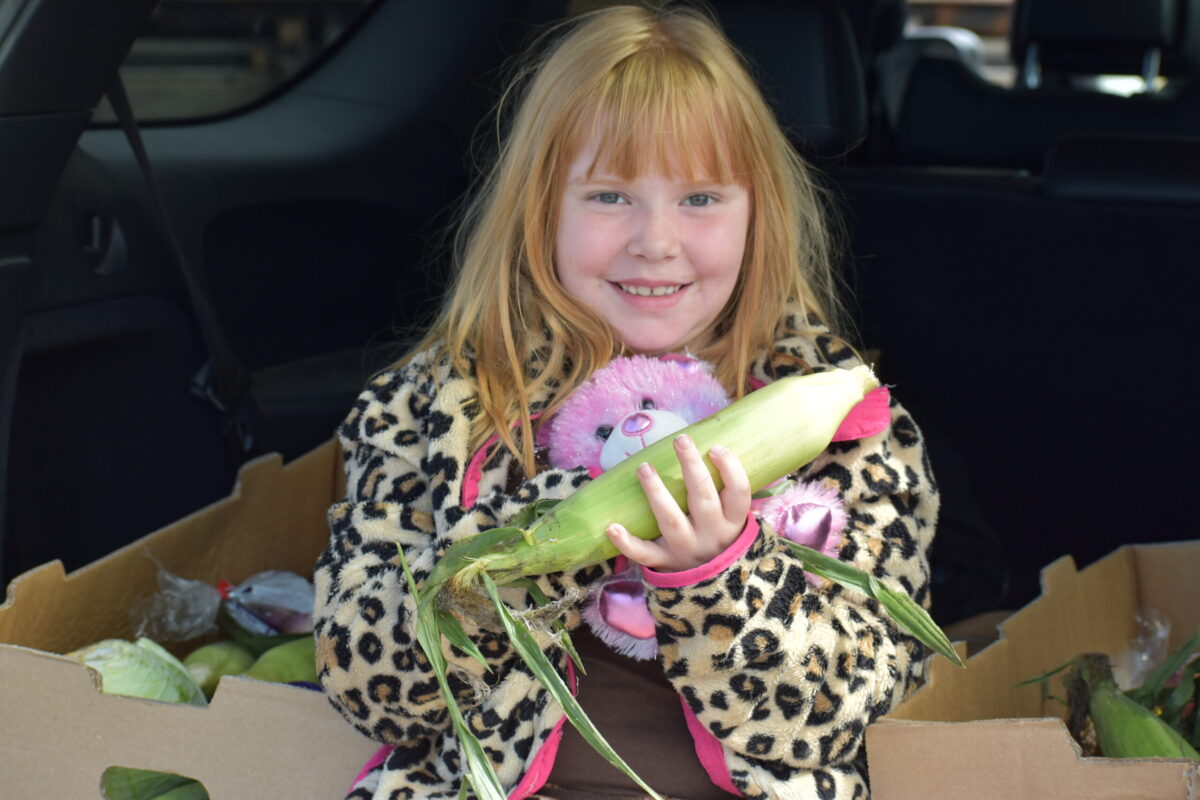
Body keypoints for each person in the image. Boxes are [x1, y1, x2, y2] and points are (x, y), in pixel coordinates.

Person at [313, 5, 938, 800]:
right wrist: (521, 555)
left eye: (702, 199)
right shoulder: (434, 408)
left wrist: (721, 577)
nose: (656, 240)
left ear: (759, 212)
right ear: (539, 210)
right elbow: (366, 689)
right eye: (609, 197)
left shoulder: (842, 422)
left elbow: (844, 710)